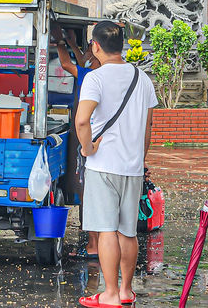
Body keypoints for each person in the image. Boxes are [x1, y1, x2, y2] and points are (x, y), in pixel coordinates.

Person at [76, 21, 157, 308]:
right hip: (132, 167)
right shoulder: (143, 78)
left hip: (103, 165)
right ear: (122, 44)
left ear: (96, 46)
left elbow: (82, 120)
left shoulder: (95, 79)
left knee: (107, 230)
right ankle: (125, 290)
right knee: (128, 231)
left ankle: (109, 294)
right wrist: (139, 158)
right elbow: (148, 127)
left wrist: (88, 148)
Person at [51, 25, 101, 260]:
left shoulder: (92, 75)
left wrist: (58, 42)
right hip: (91, 131)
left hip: (86, 132)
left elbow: (67, 66)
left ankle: (93, 242)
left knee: (84, 183)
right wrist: (71, 43)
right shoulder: (95, 68)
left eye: (91, 46)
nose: (87, 50)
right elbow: (82, 61)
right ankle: (92, 238)